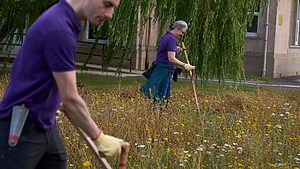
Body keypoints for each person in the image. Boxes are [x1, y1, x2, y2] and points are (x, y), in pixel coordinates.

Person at [0, 0, 123, 168]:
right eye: (106, 4)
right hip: (21, 127)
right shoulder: (58, 29)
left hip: (44, 124)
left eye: (113, 8)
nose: (110, 15)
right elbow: (71, 99)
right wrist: (98, 137)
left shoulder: (69, 21)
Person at [140, 20, 195, 107]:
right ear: (177, 29)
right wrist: (185, 65)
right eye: (182, 32)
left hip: (163, 71)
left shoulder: (166, 37)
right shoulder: (171, 39)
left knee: (161, 96)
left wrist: (175, 49)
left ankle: (158, 116)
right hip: (164, 72)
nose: (182, 35)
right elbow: (171, 59)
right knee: (161, 97)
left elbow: (165, 51)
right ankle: (157, 116)